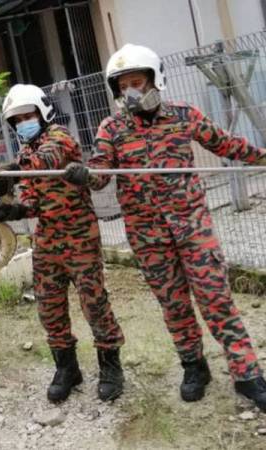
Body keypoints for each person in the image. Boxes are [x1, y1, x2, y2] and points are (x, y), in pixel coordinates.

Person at [64, 43, 266, 410]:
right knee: (173, 305)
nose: (131, 92)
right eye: (123, 86)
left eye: (137, 82)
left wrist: (263, 157)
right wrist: (84, 174)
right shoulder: (112, 127)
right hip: (147, 237)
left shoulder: (183, 114)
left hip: (193, 228)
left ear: (156, 79)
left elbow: (226, 144)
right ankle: (194, 366)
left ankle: (247, 373)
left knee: (215, 299)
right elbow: (100, 175)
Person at [0, 84, 125, 403]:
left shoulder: (59, 138)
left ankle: (111, 367)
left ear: (42, 112)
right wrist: (14, 209)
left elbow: (48, 161)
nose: (22, 124)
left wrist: (8, 171)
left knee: (95, 304)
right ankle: (67, 369)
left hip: (80, 240)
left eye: (27, 116)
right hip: (46, 242)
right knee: (49, 307)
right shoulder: (24, 152)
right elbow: (32, 198)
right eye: (15, 121)